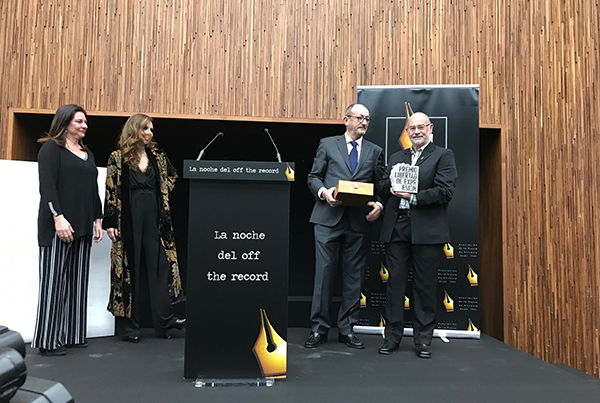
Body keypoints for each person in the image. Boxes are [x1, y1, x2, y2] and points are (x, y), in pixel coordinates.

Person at [304, 103, 385, 349]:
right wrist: (324, 193)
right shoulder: (328, 144)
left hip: (358, 221)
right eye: (359, 118)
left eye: (367, 119)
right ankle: (319, 329)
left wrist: (380, 204)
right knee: (324, 276)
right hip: (328, 218)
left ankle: (347, 329)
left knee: (354, 278)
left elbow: (380, 184)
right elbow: (313, 177)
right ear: (345, 120)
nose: (364, 122)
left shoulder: (375, 150)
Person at [378, 112, 457, 358]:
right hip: (397, 226)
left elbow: (445, 191)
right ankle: (392, 338)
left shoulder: (443, 155)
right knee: (394, 286)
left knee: (424, 287)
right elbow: (381, 187)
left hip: (427, 230)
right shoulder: (396, 157)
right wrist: (390, 182)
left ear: (430, 128)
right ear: (407, 132)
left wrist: (413, 197)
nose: (416, 132)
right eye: (411, 128)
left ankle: (423, 340)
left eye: (420, 127)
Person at [103, 114, 184, 343]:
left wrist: (163, 192)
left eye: (151, 129)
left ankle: (164, 321)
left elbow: (172, 175)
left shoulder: (157, 156)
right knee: (130, 268)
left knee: (158, 264)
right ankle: (129, 328)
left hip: (154, 216)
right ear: (135, 130)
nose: (150, 133)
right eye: (146, 128)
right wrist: (110, 222)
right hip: (129, 215)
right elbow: (111, 191)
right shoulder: (117, 158)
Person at [32, 104, 104, 356]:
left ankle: (74, 334)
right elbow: (47, 188)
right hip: (59, 226)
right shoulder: (51, 149)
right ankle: (48, 340)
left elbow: (93, 190)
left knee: (78, 283)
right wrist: (58, 218)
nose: (84, 125)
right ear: (65, 122)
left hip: (83, 226)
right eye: (79, 121)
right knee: (53, 285)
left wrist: (98, 218)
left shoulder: (88, 153)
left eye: (85, 122)